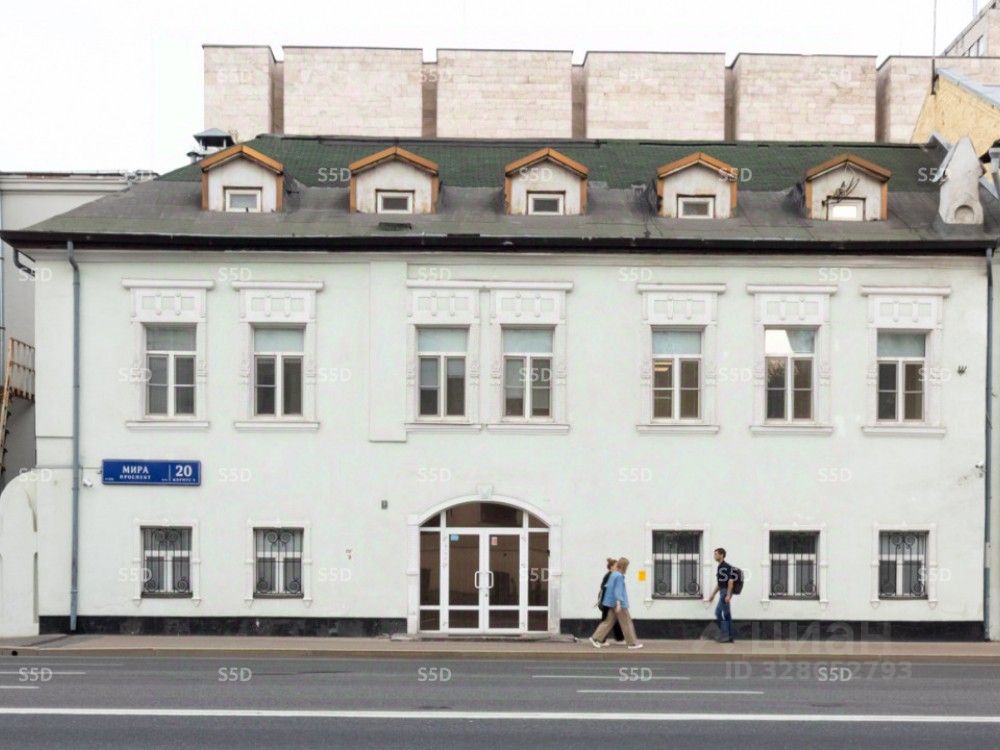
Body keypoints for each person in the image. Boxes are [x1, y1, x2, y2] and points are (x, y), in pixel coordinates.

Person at [589, 557, 643, 650]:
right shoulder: (619, 576)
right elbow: (618, 590)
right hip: (619, 604)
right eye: (627, 566)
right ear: (624, 566)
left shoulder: (613, 574)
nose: (627, 568)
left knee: (608, 622)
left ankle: (595, 638)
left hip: (611, 603)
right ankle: (632, 643)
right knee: (627, 623)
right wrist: (619, 603)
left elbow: (609, 588)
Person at [709, 547, 736, 643]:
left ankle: (725, 636)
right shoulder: (720, 567)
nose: (714, 556)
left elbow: (730, 581)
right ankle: (730, 636)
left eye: (716, 554)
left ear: (721, 555)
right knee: (727, 615)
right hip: (723, 591)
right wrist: (713, 594)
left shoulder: (725, 566)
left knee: (718, 613)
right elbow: (720, 583)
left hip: (725, 592)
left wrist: (728, 595)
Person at [597, 557, 625, 645]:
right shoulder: (610, 576)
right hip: (607, 602)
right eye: (616, 566)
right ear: (611, 567)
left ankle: (619, 639)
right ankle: (600, 640)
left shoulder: (611, 575)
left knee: (614, 620)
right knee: (606, 621)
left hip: (609, 601)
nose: (618, 567)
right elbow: (606, 588)